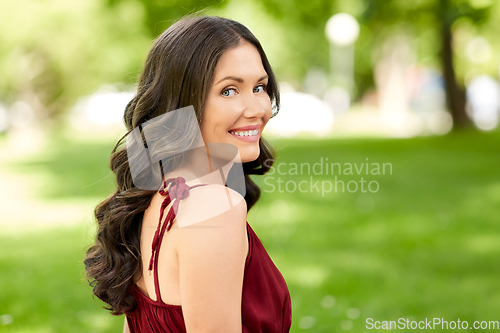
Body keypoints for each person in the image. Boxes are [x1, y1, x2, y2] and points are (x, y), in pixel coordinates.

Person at [84, 15, 292, 333]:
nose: (256, 108)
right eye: (228, 91)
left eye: (259, 87)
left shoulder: (155, 190)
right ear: (182, 101)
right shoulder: (213, 205)